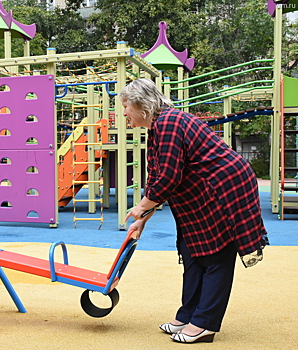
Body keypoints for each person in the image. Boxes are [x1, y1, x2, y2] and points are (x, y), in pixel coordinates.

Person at [121, 79, 268, 344]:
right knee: (191, 251)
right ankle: (189, 314)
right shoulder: (157, 128)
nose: (123, 113)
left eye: (125, 106)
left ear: (141, 106)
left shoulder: (169, 123)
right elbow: (155, 178)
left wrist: (141, 208)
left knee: (215, 254)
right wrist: (142, 219)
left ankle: (204, 324)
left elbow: (168, 178)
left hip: (224, 189)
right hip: (203, 193)